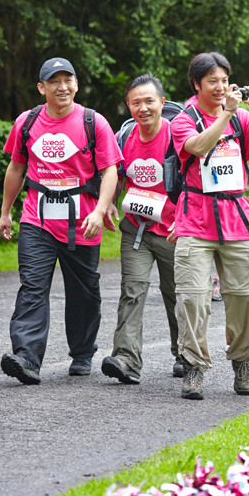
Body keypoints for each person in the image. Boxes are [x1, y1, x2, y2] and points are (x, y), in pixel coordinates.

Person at [0, 57, 122, 384]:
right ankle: (26, 357)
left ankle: (82, 352)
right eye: (54, 81)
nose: (62, 87)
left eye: (68, 80)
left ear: (76, 85)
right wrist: (6, 212)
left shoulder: (94, 122)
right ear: (42, 88)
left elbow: (110, 170)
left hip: (82, 221)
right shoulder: (27, 122)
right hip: (36, 220)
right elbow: (16, 167)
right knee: (32, 288)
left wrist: (99, 209)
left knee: (84, 292)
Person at [169, 52, 249, 400]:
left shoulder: (241, 119)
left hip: (236, 218)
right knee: (192, 298)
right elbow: (198, 147)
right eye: (212, 81)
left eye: (223, 80)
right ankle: (193, 367)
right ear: (197, 85)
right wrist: (229, 112)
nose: (219, 87)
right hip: (194, 218)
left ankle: (242, 360)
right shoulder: (184, 118)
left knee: (245, 296)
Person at [101, 73, 183, 383]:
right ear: (128, 106)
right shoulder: (124, 137)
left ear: (162, 102)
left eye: (149, 101)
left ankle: (185, 354)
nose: (143, 108)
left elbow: (192, 180)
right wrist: (109, 202)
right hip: (136, 229)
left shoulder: (178, 137)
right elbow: (117, 175)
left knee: (177, 294)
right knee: (131, 291)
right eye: (136, 103)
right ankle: (126, 360)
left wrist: (188, 221)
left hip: (174, 230)